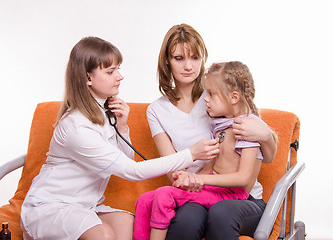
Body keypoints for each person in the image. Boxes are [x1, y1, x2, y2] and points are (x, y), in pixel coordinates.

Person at [20, 36, 219, 240]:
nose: (120, 77)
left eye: (118, 69)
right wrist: (191, 154)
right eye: (110, 71)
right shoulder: (76, 126)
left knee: (127, 222)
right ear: (87, 77)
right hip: (50, 207)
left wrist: (122, 127)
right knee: (104, 235)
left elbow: (126, 159)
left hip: (83, 205)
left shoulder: (103, 113)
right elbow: (132, 171)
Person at [145, 24, 277, 240]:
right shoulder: (157, 111)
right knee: (187, 221)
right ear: (167, 61)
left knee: (220, 214)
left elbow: (265, 153)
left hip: (236, 196)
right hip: (195, 191)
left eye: (195, 57)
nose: (188, 66)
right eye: (179, 58)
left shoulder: (218, 95)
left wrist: (265, 135)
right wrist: (193, 155)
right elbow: (171, 170)